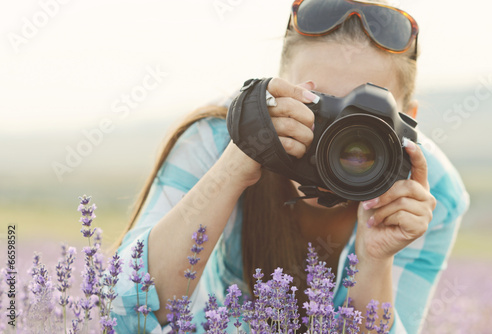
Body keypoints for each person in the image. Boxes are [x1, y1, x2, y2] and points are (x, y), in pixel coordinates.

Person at [111, 0, 469, 333]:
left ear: (409, 121)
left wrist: (375, 262)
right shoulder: (218, 136)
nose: (338, 139)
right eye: (318, 105)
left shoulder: (430, 193)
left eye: (363, 119)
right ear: (281, 91)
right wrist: (237, 163)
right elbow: (127, 312)